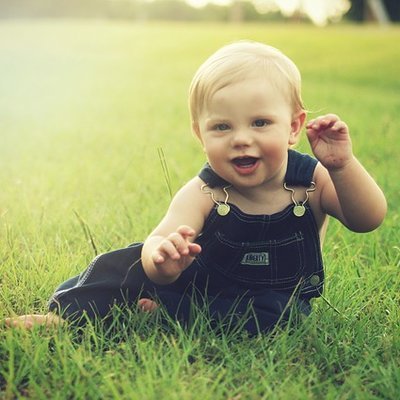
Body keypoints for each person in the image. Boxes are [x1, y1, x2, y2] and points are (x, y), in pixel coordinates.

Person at [4, 41, 387, 334]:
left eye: (259, 123)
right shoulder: (204, 192)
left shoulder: (314, 181)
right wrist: (163, 260)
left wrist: (343, 166)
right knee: (124, 263)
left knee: (277, 316)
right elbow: (161, 238)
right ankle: (64, 316)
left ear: (292, 127)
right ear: (199, 134)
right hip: (197, 284)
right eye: (222, 127)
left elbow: (366, 219)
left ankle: (163, 315)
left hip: (270, 300)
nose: (240, 139)